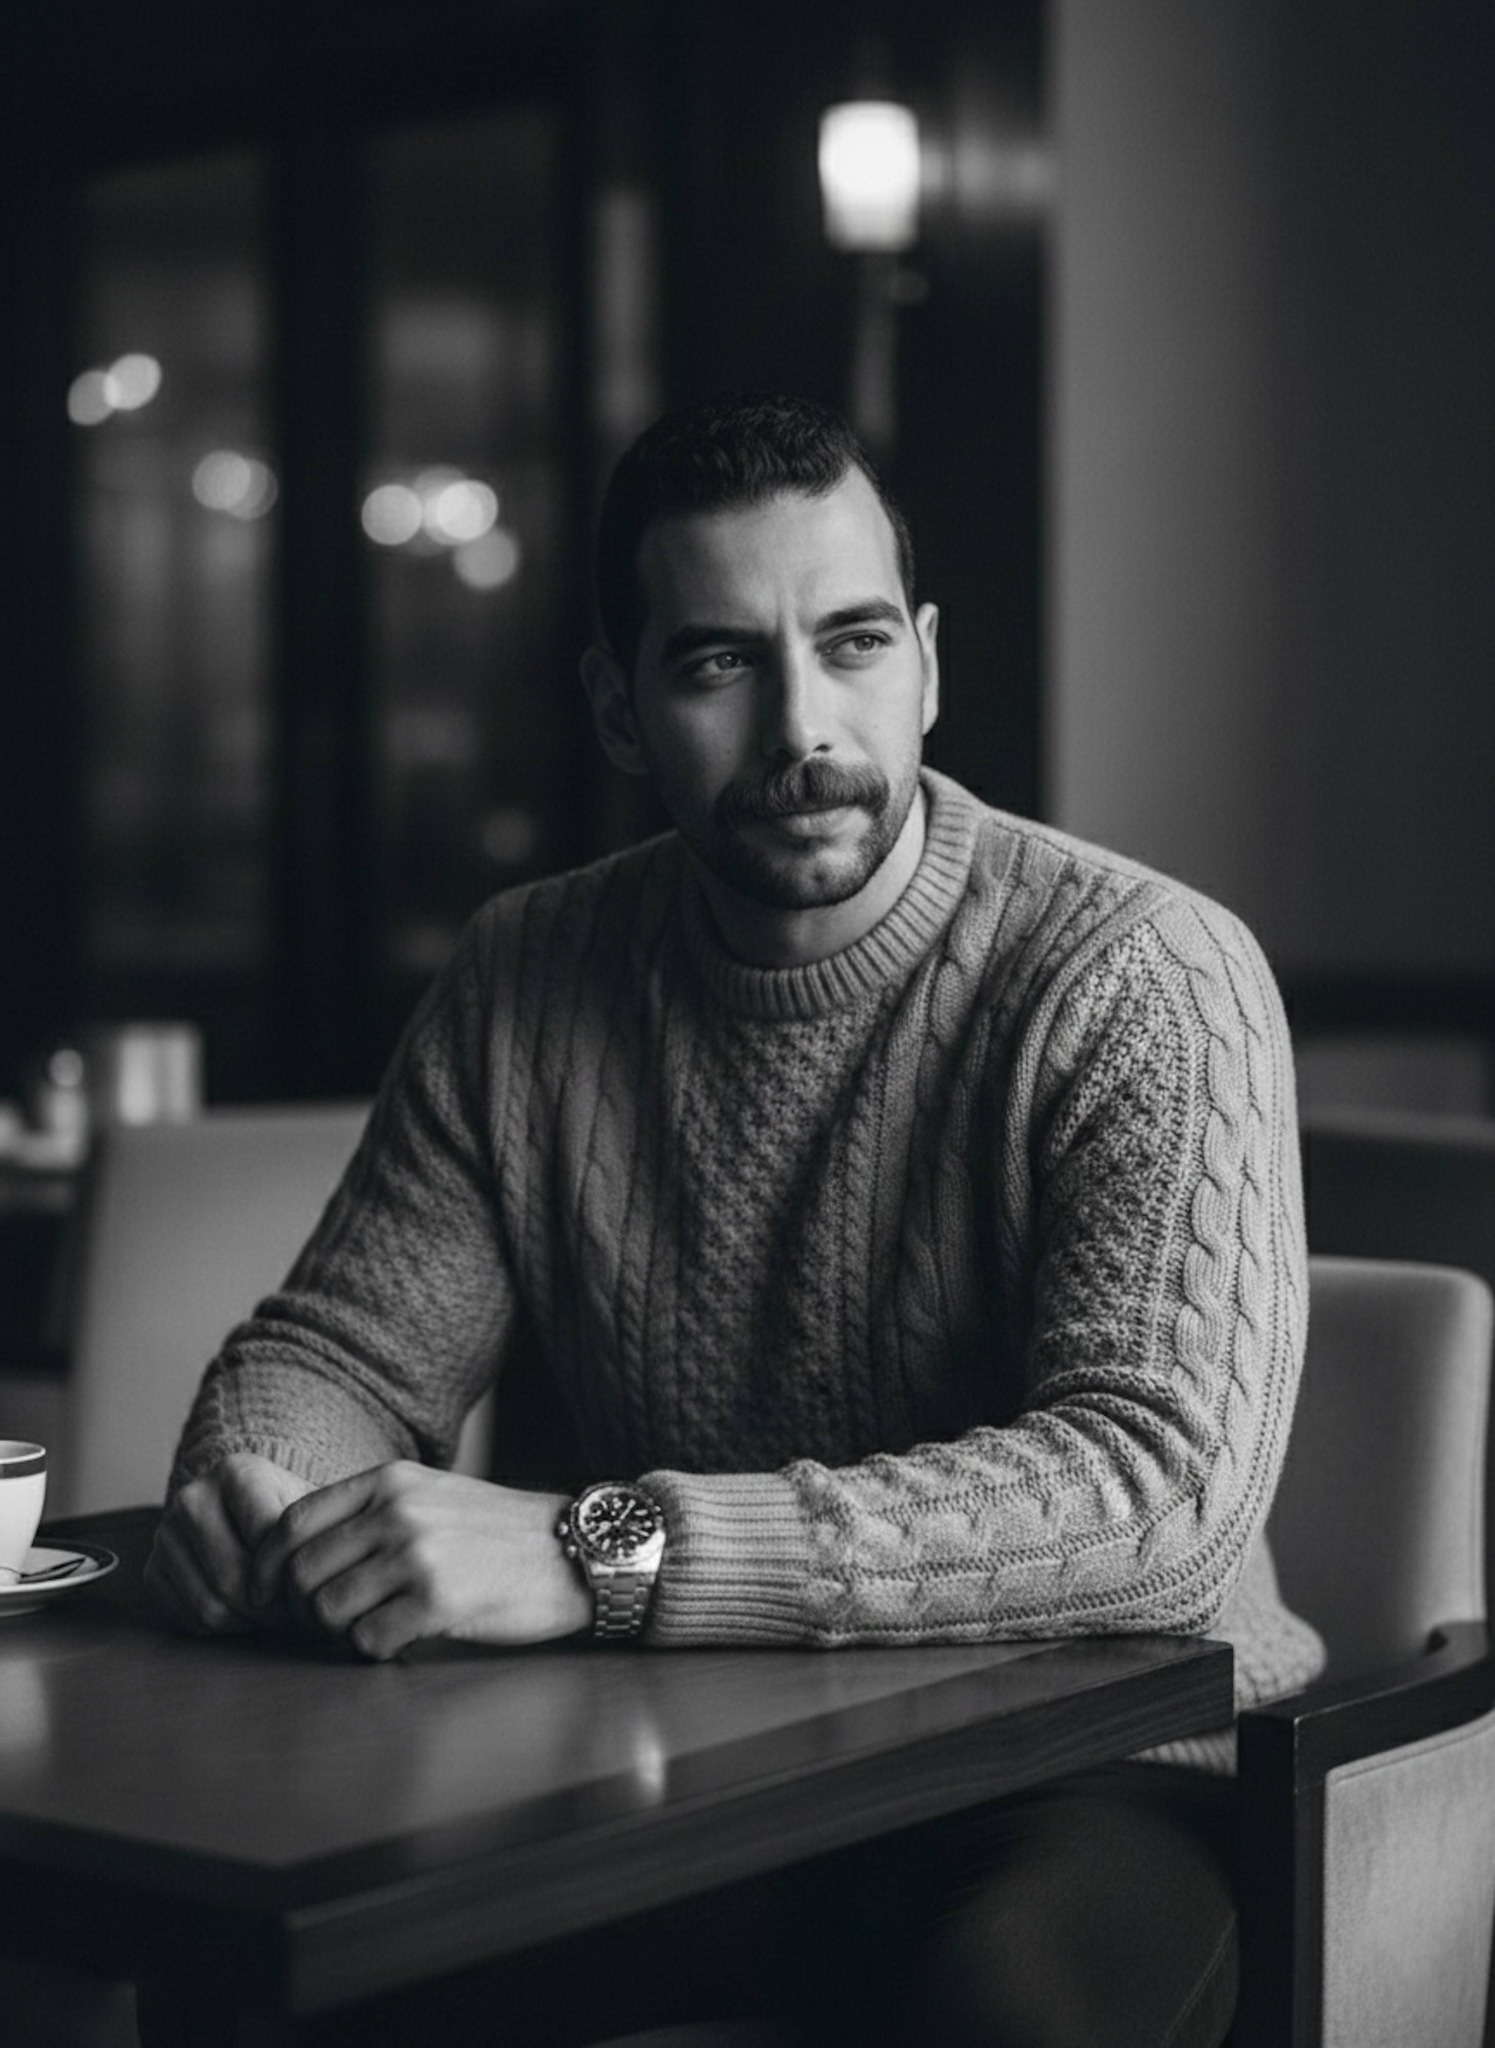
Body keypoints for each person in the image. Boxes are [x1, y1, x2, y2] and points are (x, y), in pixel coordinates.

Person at [146, 393, 1324, 2047]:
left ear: (927, 662)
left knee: (1006, 2014)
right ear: (619, 707)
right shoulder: (526, 973)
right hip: (669, 1776)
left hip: (1086, 1776)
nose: (803, 727)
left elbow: (1162, 1494)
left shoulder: (1139, 970)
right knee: (276, 1986)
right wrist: (262, 1490)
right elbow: (341, 1351)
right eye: (716, 664)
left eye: (851, 644)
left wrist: (598, 1552)